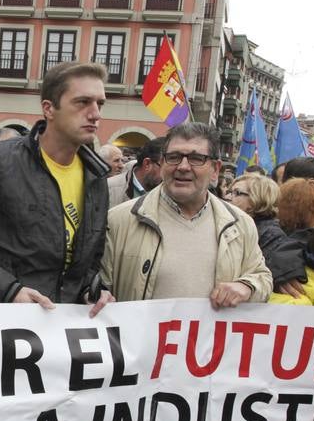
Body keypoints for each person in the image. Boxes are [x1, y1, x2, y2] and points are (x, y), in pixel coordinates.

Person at [0, 61, 113, 313]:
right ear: (49, 109)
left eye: (100, 103)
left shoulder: (96, 176)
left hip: (61, 330)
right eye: (82, 102)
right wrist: (9, 290)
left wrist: (92, 289)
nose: (95, 113)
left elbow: (88, 259)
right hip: (0, 328)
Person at [101, 121, 272, 306]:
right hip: (138, 335)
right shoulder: (119, 220)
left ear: (215, 169)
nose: (182, 166)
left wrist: (248, 286)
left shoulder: (241, 224)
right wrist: (96, 295)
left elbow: (262, 277)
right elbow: (97, 285)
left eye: (196, 158)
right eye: (173, 157)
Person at [226, 173, 305, 295]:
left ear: (256, 199)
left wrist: (281, 273)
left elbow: (283, 253)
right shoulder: (233, 225)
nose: (228, 197)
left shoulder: (270, 233)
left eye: (236, 193)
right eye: (229, 192)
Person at [106, 137, 164, 207]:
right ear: (147, 164)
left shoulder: (168, 193)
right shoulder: (108, 188)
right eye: (164, 167)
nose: (168, 175)